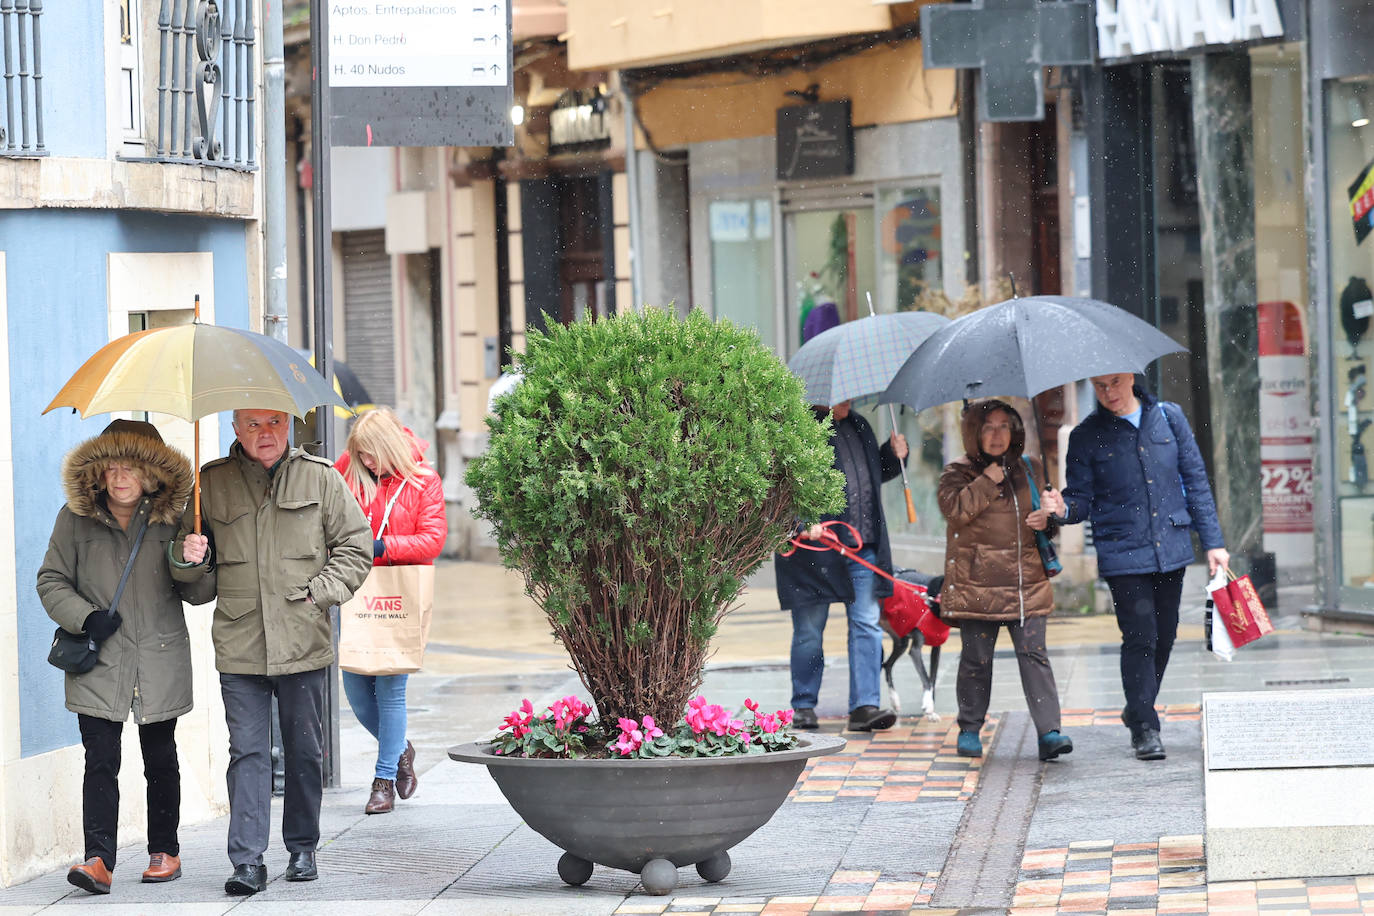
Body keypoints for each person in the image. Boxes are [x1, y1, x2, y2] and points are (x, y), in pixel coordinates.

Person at [172, 408, 371, 895]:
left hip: (303, 637)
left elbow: (356, 546)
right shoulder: (210, 484)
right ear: (236, 428)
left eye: (276, 423)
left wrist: (320, 592)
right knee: (248, 754)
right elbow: (193, 585)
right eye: (255, 425)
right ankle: (247, 860)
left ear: (289, 426)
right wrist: (189, 559)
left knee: (304, 750)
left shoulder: (320, 479)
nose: (267, 434)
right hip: (240, 643)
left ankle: (302, 847)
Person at [37, 419, 215, 895]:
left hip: (158, 657)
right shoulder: (73, 519)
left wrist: (195, 559)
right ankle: (98, 859)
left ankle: (165, 850)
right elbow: (50, 580)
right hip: (100, 660)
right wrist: (85, 617)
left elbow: (198, 593)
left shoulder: (176, 520)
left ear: (152, 474)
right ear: (97, 471)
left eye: (131, 468)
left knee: (160, 758)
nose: (120, 477)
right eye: (112, 466)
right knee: (100, 759)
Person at [1056, 373, 1229, 762]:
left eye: (1115, 383)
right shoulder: (1088, 435)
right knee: (1141, 636)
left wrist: (1214, 542)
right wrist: (1061, 509)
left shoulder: (1169, 418)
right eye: (1099, 387)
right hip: (1122, 551)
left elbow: (1195, 480)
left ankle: (1137, 705)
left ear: (1131, 377)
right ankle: (1146, 727)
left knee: (1165, 636)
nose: (1108, 394)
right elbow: (1078, 500)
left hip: (1170, 543)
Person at [937, 401, 1073, 762]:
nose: (996, 435)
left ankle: (1050, 732)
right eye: (987, 427)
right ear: (974, 433)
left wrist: (1049, 519)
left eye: (1003, 426)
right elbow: (955, 513)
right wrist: (986, 481)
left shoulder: (1030, 466)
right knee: (976, 660)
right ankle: (969, 727)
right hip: (977, 587)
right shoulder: (957, 473)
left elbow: (1049, 523)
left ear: (1014, 430)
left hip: (1026, 583)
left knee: (1035, 656)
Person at [334, 408, 447, 815]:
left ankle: (382, 781)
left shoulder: (423, 481)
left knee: (390, 691)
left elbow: (432, 540)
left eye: (371, 455)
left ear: (388, 448)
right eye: (360, 454)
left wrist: (384, 548)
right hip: (358, 591)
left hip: (398, 593)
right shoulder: (349, 469)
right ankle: (401, 750)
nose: (366, 462)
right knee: (356, 689)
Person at [775, 399, 906, 732]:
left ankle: (865, 706)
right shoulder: (799, 429)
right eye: (840, 396)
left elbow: (873, 474)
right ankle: (803, 705)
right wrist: (798, 522)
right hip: (815, 550)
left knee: (866, 624)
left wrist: (893, 455)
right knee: (809, 631)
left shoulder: (860, 425)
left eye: (849, 395)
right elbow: (780, 483)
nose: (848, 401)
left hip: (864, 545)